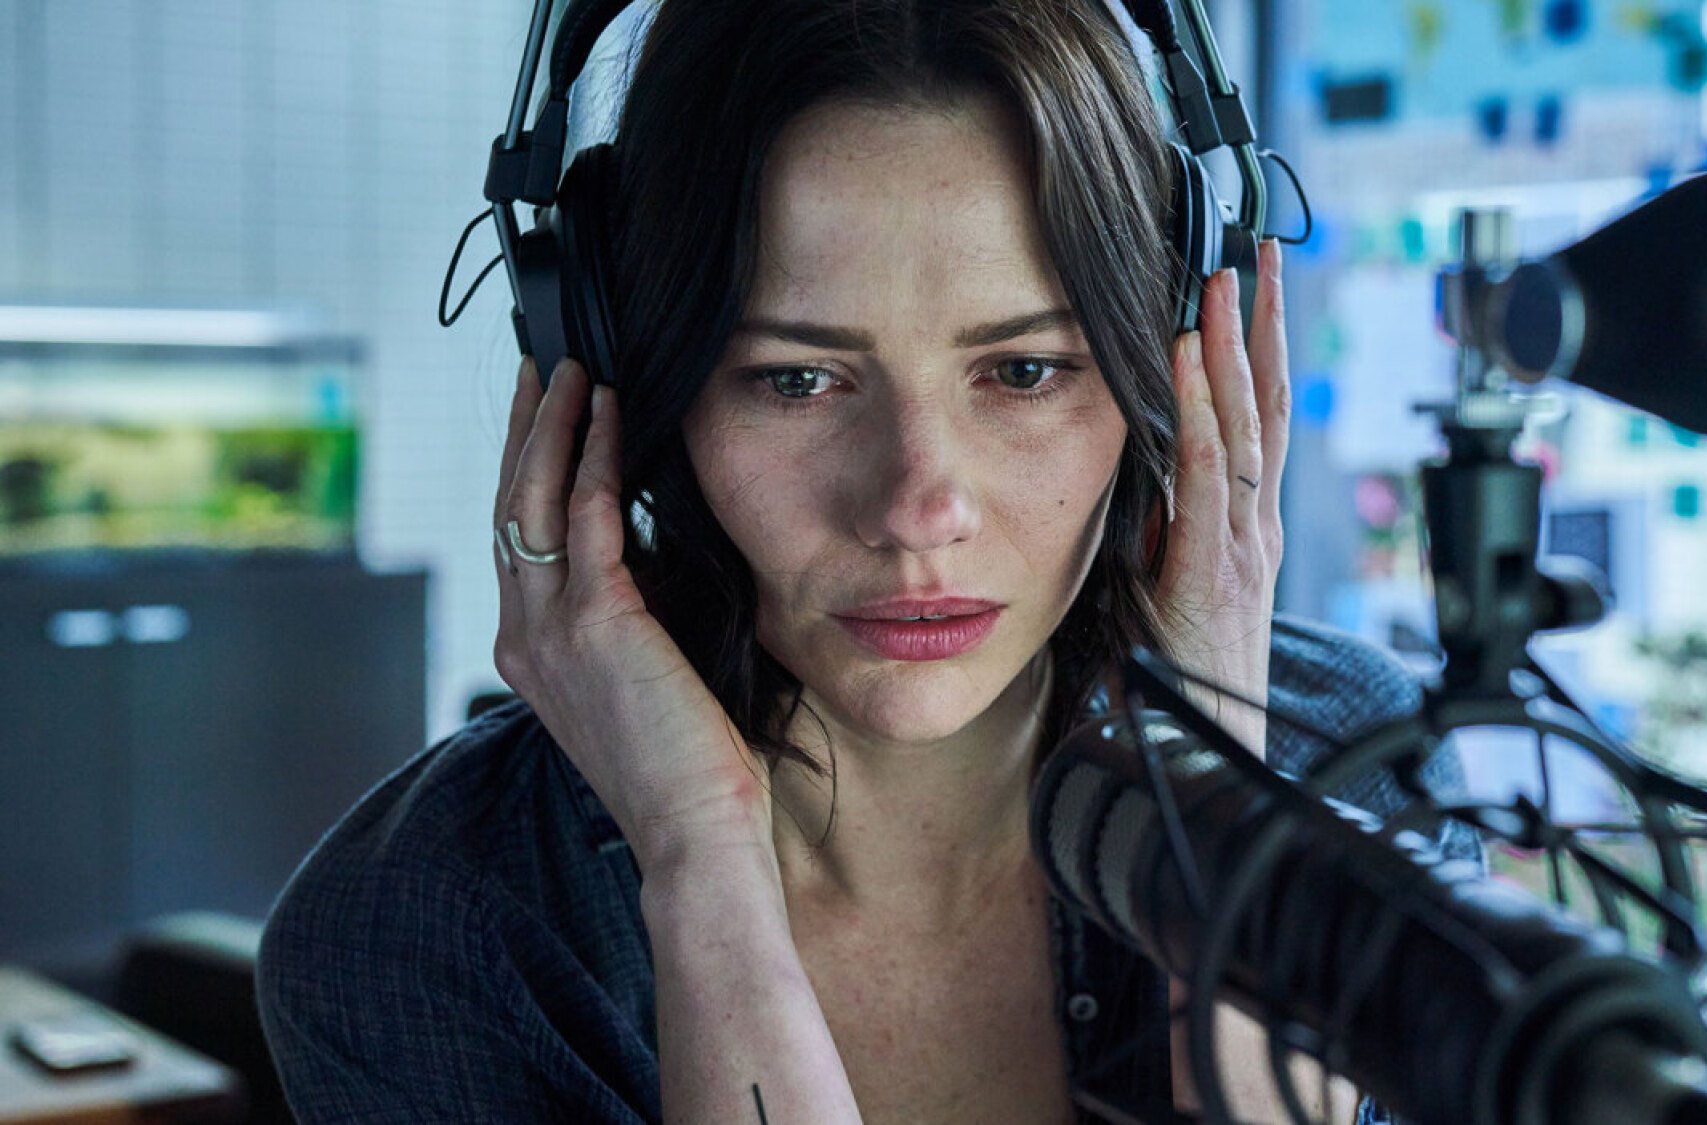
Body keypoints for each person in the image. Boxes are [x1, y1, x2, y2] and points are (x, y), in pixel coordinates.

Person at [256, 1, 1476, 1121]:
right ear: (629, 377)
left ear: (1181, 367)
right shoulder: (418, 927)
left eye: (1024, 370)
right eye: (795, 379)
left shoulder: (1352, 781)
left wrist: (1217, 802)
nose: (917, 508)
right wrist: (700, 864)